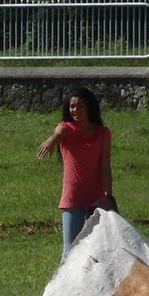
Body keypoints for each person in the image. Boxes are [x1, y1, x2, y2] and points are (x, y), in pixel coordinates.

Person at [36, 86, 114, 260]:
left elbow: (105, 167)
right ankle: (63, 286)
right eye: (72, 106)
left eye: (80, 106)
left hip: (97, 198)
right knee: (70, 250)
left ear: (89, 108)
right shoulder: (66, 128)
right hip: (73, 198)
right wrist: (51, 141)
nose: (75, 110)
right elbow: (58, 133)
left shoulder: (103, 133)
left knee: (99, 250)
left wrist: (108, 196)